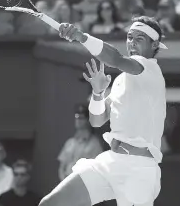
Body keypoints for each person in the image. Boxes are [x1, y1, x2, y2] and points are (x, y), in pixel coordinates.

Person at [39, 16, 167, 206]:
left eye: (139, 39)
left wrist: (81, 37)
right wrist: (98, 93)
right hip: (110, 161)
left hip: (139, 171)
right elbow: (97, 121)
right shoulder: (122, 80)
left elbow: (115, 58)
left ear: (154, 44)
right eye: (130, 37)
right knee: (50, 204)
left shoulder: (150, 70)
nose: (131, 43)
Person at [58, 105, 104, 181]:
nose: (78, 120)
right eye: (76, 117)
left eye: (81, 118)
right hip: (66, 184)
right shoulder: (70, 142)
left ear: (88, 120)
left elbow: (97, 169)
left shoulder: (95, 144)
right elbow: (62, 167)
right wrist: (63, 181)